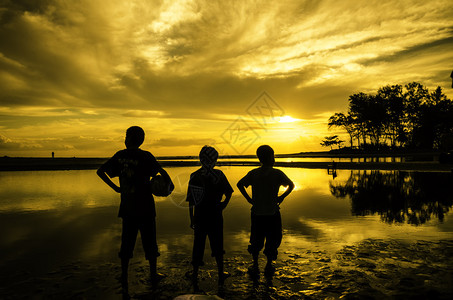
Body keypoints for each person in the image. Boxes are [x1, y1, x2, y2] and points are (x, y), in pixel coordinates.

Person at [97, 126, 172, 289]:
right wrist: (168, 185)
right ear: (142, 140)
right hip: (145, 206)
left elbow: (100, 171)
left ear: (129, 139)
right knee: (150, 241)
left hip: (128, 206)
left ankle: (124, 275)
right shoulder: (146, 156)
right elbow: (161, 171)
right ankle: (153, 274)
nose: (124, 139)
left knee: (127, 242)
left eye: (126, 136)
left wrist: (116, 188)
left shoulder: (120, 155)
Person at [237, 145, 294, 277]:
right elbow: (291, 185)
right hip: (272, 213)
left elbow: (240, 184)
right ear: (269, 157)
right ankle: (268, 264)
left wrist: (248, 199)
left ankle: (256, 263)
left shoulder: (254, 173)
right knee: (273, 238)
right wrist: (282, 197)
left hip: (257, 213)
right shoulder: (277, 173)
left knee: (256, 238)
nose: (274, 158)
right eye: (273, 155)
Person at [186, 146, 233, 286]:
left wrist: (191, 218)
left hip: (200, 215)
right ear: (215, 160)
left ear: (201, 159)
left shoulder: (195, 176)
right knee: (218, 244)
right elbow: (229, 192)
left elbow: (191, 201)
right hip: (216, 215)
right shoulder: (219, 175)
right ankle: (220, 272)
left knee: (198, 244)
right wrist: (224, 204)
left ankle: (194, 274)